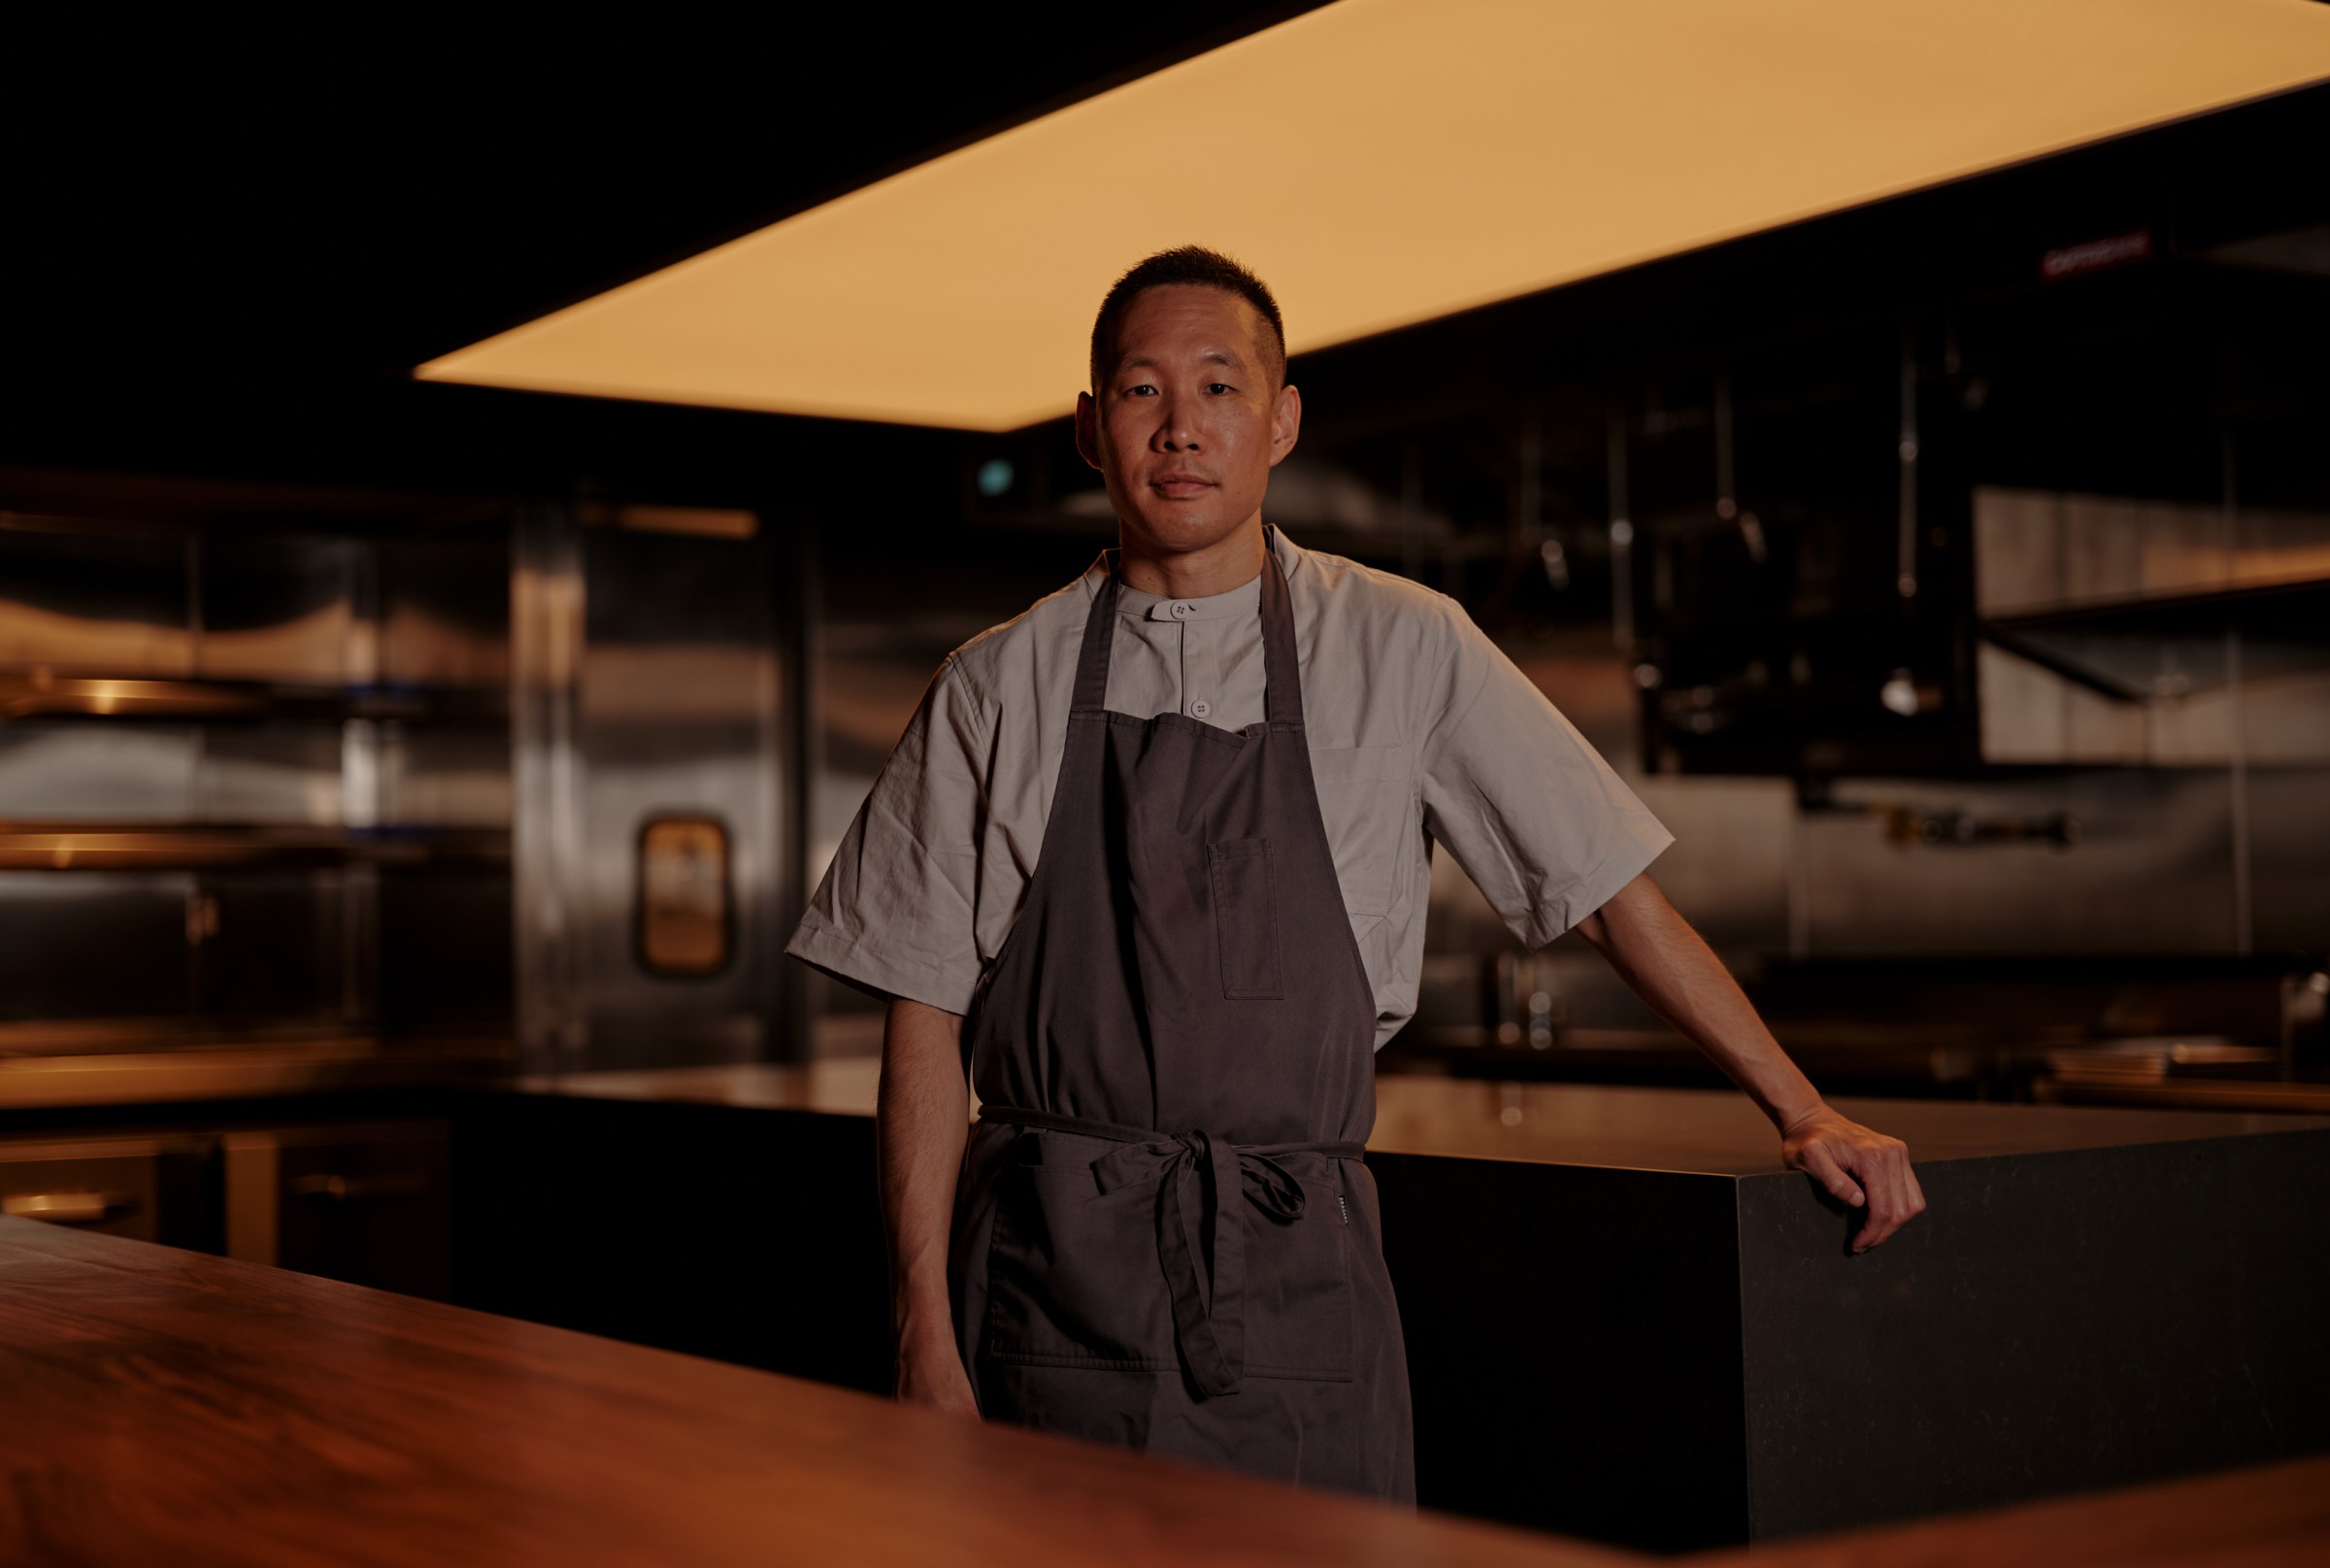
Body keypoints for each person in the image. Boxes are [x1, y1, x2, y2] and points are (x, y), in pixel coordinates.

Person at [784, 246, 1925, 1505]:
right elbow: (923, 1016)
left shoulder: (1405, 646)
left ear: (1280, 422)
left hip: (1296, 1288)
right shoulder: (994, 684)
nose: (1180, 429)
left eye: (1218, 388)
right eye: (1140, 390)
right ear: (1087, 429)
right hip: (1048, 1287)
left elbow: (1608, 894)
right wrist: (921, 1341)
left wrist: (1801, 1107)